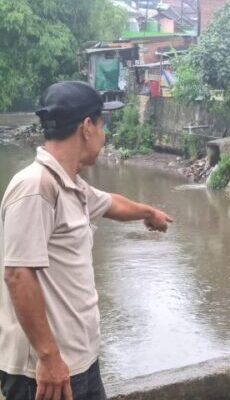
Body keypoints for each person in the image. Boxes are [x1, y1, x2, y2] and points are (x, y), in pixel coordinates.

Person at [0, 81, 173, 400]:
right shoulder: (35, 187)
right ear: (87, 127)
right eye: (103, 124)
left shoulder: (70, 185)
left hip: (80, 362)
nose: (106, 135)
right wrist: (49, 358)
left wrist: (149, 212)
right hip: (46, 375)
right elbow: (17, 274)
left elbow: (111, 203)